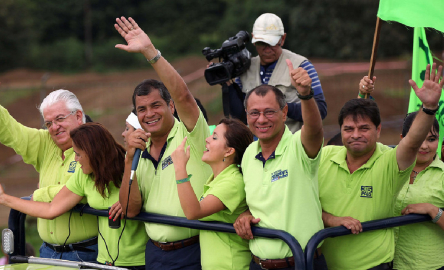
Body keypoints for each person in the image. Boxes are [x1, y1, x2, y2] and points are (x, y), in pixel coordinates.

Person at [318, 64, 444, 270]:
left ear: (378, 131)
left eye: (364, 128)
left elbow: (412, 142)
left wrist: (429, 107)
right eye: (348, 129)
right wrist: (330, 219)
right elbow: (305, 201)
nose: (355, 134)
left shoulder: (388, 160)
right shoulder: (326, 154)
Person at [115, 17, 212, 270]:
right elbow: (129, 209)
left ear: (171, 106)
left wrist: (150, 52)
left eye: (156, 105)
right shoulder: (138, 149)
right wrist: (128, 159)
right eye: (142, 109)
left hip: (194, 251)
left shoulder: (191, 133)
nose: (149, 114)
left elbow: (183, 95)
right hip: (155, 255)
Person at [0, 123, 148, 268]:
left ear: (93, 153)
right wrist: (5, 199)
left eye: (78, 154)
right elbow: (51, 209)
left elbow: (145, 199)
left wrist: (127, 200)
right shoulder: (84, 175)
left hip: (138, 262)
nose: (76, 160)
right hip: (105, 262)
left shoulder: (133, 165)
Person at [0, 86, 98, 261]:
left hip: (86, 253)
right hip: (47, 252)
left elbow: (77, 191)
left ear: (78, 116)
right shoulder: (46, 142)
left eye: (60, 119)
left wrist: (38, 194)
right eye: (48, 123)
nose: (54, 127)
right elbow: (15, 134)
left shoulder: (96, 145)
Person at [233, 59, 327, 270]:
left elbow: (314, 129)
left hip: (301, 264)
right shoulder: (248, 153)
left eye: (269, 112)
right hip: (258, 264)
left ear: (284, 114)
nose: (261, 119)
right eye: (254, 113)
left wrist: (305, 94)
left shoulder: (298, 145)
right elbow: (262, 200)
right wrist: (246, 214)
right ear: (246, 116)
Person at [170, 118, 253, 270]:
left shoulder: (233, 181)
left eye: (214, 137)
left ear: (229, 151)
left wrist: (180, 167)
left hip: (232, 265)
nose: (207, 139)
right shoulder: (218, 178)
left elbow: (193, 212)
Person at [224, 13, 327, 132]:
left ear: (282, 39)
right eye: (262, 43)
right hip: (255, 146)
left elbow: (321, 111)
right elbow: (240, 116)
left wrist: (279, 108)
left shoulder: (301, 65)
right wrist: (227, 86)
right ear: (253, 40)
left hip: (291, 145)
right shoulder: (245, 68)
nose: (267, 49)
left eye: (272, 43)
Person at [394, 112, 444, 270]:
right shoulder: (389, 167)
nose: (424, 146)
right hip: (386, 262)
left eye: (431, 139)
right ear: (403, 138)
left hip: (430, 265)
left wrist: (433, 211)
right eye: (418, 137)